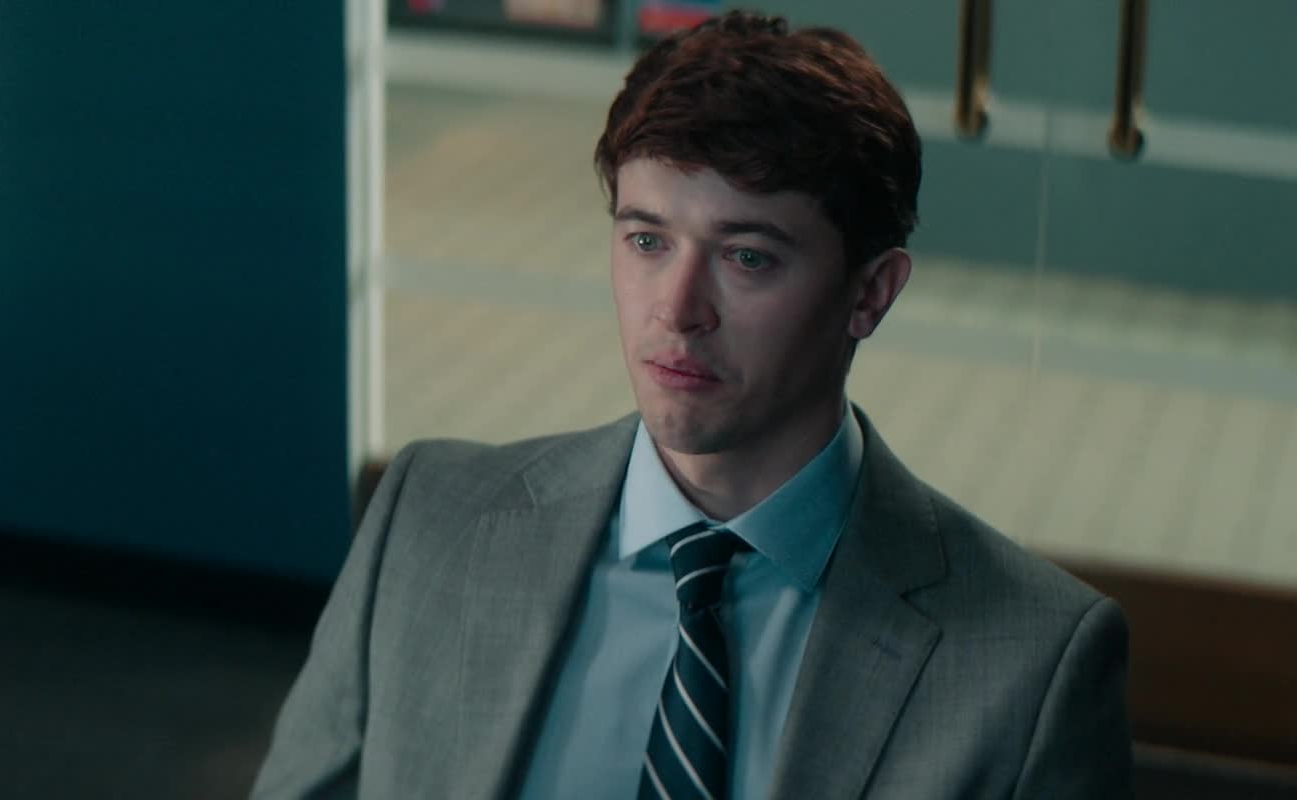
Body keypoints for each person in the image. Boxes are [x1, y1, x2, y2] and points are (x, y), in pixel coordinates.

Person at [252, 10, 1131, 800]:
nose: (676, 310)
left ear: (869, 293)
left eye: (747, 257)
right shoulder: (427, 521)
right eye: (647, 240)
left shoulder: (1031, 666)